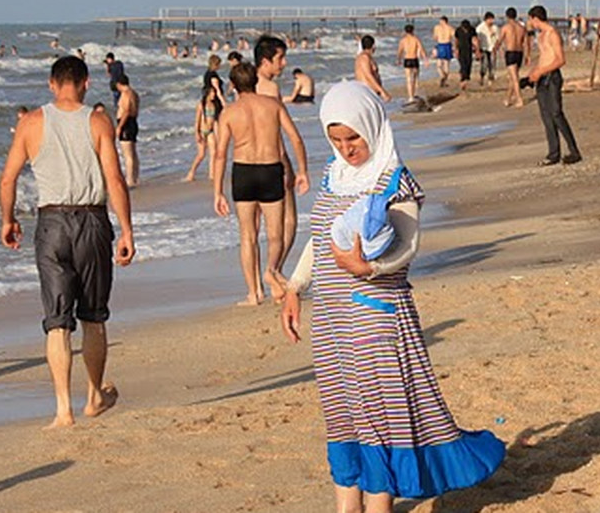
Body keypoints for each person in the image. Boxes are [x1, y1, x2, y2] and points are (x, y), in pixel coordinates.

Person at [281, 81, 504, 511]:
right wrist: (294, 288)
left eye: (353, 138)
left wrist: (369, 268)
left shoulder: (394, 179)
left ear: (373, 127)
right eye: (336, 139)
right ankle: (348, 504)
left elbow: (408, 245)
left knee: (377, 417)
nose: (346, 149)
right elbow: (319, 239)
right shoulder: (333, 175)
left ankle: (379, 504)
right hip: (330, 320)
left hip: (375, 317)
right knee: (342, 411)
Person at [0, 55, 133, 428]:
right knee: (92, 315)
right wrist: (126, 231)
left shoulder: (31, 123)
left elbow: (8, 179)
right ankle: (93, 395)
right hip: (91, 219)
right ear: (87, 83)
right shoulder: (98, 120)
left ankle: (62, 409)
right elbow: (115, 180)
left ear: (52, 84)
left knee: (57, 321)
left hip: (51, 222)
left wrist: (8, 219)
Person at [213, 62, 310, 305]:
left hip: (243, 172)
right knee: (275, 234)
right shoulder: (273, 105)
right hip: (270, 169)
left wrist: (218, 192)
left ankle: (253, 293)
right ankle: (272, 270)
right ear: (256, 81)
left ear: (233, 85)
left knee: (248, 236)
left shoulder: (229, 112)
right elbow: (295, 139)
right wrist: (302, 171)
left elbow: (220, 154)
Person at [253, 35, 311, 293]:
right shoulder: (269, 89)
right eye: (280, 58)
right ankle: (273, 270)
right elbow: (281, 131)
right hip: (273, 158)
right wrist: (296, 167)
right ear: (265, 61)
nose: (284, 64)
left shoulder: (243, 86)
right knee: (288, 222)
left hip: (246, 161)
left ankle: (255, 287)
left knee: (253, 228)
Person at [526, 6, 582, 166]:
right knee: (546, 116)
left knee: (556, 113)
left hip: (552, 78)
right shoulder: (541, 35)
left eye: (530, 19)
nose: (530, 23)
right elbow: (545, 57)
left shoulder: (552, 33)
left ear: (535, 18)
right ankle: (553, 153)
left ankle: (574, 150)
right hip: (542, 79)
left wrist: (542, 70)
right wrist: (534, 72)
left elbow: (560, 60)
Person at [186, 85, 222, 182]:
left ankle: (211, 174)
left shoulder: (214, 105)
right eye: (212, 93)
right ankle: (191, 172)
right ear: (207, 94)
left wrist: (218, 135)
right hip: (202, 131)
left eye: (214, 93)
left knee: (213, 153)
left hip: (210, 132)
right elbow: (197, 121)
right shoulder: (201, 105)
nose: (214, 95)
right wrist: (197, 133)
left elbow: (215, 122)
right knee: (201, 154)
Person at [115, 74, 140, 187]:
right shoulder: (134, 93)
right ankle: (135, 176)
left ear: (119, 84)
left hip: (126, 123)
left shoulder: (125, 94)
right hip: (133, 122)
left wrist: (120, 126)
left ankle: (130, 180)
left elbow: (126, 111)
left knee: (128, 154)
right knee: (133, 152)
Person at [500, 7, 527, 108]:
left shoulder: (506, 27)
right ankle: (507, 98)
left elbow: (500, 40)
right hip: (519, 52)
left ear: (507, 16)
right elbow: (526, 42)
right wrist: (527, 54)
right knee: (513, 77)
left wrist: (495, 49)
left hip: (511, 52)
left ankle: (519, 99)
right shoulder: (521, 27)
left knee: (514, 77)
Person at [395, 24, 427, 103]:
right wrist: (425, 59)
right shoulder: (415, 39)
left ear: (405, 31)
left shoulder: (403, 40)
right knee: (415, 78)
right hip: (414, 59)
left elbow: (400, 51)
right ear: (413, 30)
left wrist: (398, 59)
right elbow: (422, 49)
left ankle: (410, 97)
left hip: (407, 60)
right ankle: (415, 93)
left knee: (408, 79)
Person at [353, 35, 391, 102]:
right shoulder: (364, 57)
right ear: (373, 46)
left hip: (370, 92)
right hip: (367, 92)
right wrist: (382, 91)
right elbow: (368, 75)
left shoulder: (365, 56)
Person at [453, 19, 478, 91]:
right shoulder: (458, 30)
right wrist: (456, 49)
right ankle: (462, 82)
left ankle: (465, 79)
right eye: (465, 29)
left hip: (469, 50)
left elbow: (475, 40)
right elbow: (456, 40)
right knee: (463, 65)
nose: (466, 30)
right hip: (461, 50)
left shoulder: (472, 30)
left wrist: (477, 50)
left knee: (468, 65)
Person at [475, 12, 500, 86]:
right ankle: (482, 77)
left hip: (492, 48)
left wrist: (496, 47)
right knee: (484, 64)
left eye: (492, 19)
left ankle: (490, 79)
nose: (492, 21)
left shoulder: (495, 27)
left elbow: (498, 39)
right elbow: (477, 40)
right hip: (483, 48)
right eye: (490, 19)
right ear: (486, 19)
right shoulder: (480, 28)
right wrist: (478, 50)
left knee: (492, 64)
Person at [432, 16, 455, 88]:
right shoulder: (450, 28)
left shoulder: (437, 27)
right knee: (446, 64)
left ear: (443, 21)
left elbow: (435, 37)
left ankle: (442, 76)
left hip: (441, 44)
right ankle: (444, 79)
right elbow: (454, 37)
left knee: (439, 64)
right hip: (447, 45)